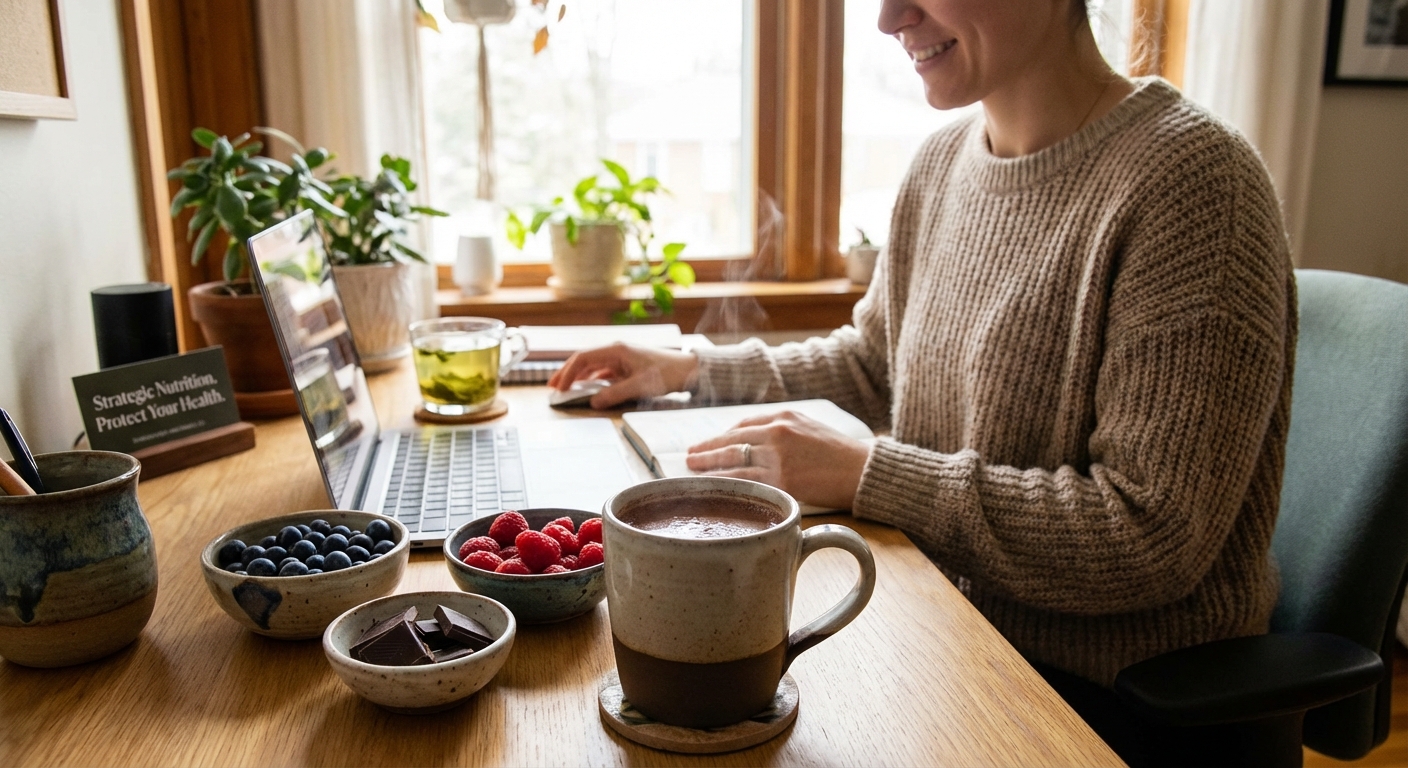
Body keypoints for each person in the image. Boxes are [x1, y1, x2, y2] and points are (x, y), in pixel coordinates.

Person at [550, 0, 1295, 758]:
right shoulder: (943, 164)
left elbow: (1147, 536)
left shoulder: (1195, 184)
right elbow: (875, 365)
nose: (888, 18)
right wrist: (694, 369)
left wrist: (871, 474)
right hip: (947, 638)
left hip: (1107, 705)